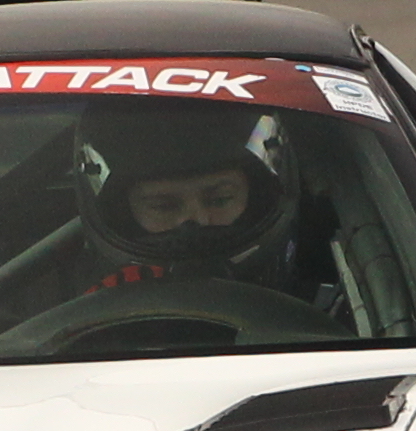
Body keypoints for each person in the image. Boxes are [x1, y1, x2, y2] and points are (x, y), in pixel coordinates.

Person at [64, 101, 301, 300]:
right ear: (123, 213)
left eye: (220, 200)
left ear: (257, 197)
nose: (197, 220)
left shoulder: (321, 280)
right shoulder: (74, 304)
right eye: (163, 206)